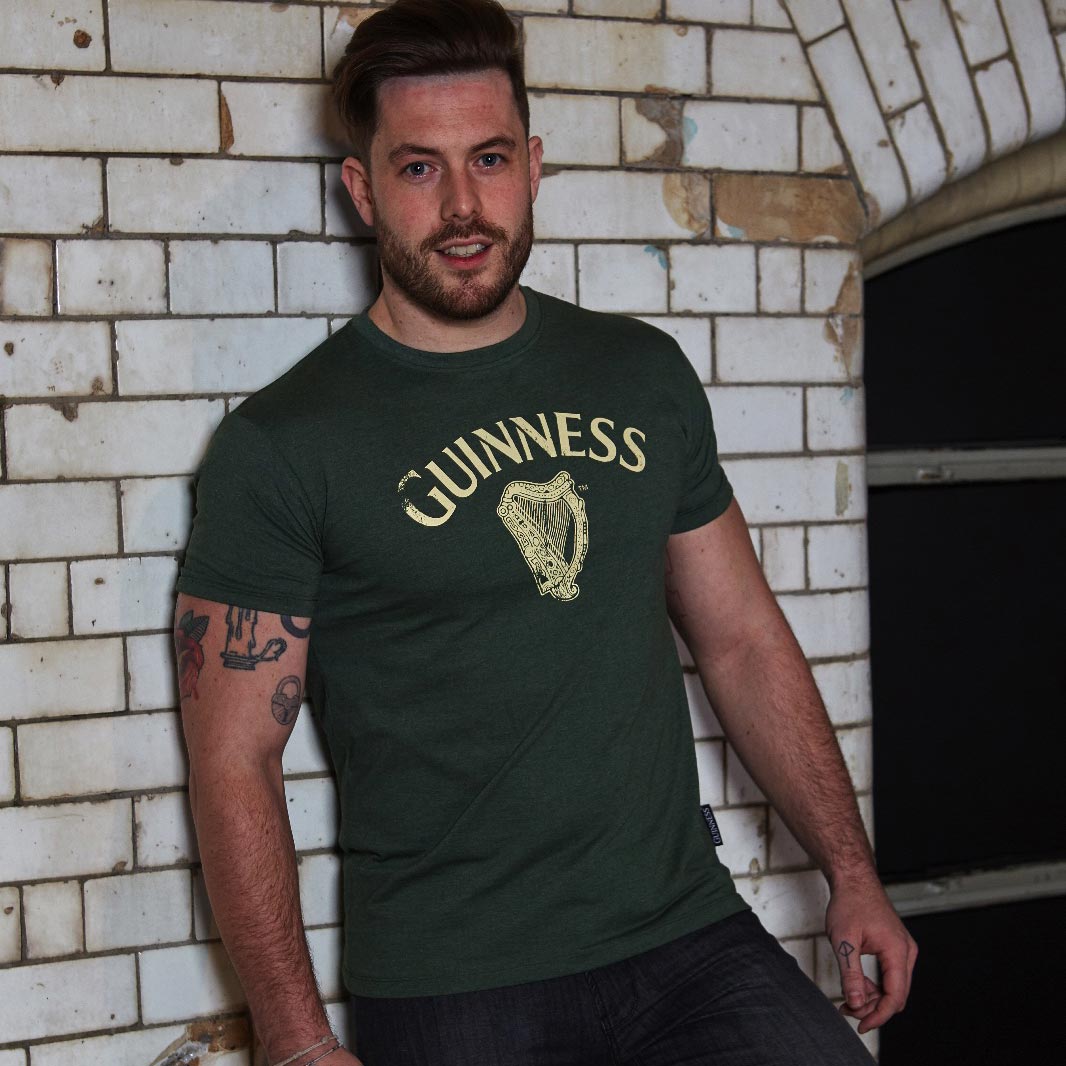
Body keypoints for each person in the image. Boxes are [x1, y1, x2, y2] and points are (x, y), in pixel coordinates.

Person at [174, 1, 916, 1064]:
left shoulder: (639, 374)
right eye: (419, 168)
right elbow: (235, 757)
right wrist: (294, 1037)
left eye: (487, 158)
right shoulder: (286, 444)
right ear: (362, 189)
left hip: (687, 941)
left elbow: (743, 639)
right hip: (457, 983)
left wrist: (851, 871)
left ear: (533, 164)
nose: (464, 204)